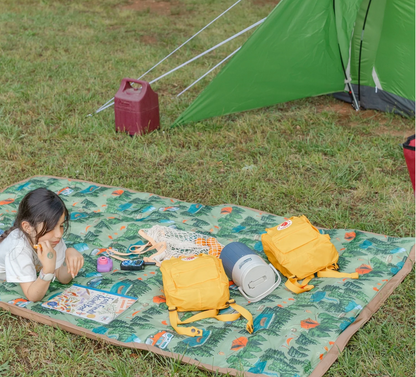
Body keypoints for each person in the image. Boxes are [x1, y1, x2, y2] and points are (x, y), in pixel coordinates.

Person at [0, 188, 84, 302]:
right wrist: (48, 271)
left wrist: (69, 255)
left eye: (61, 225)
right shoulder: (18, 249)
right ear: (27, 227)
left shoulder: (51, 240)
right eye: (51, 228)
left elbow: (62, 277)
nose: (59, 234)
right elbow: (32, 296)